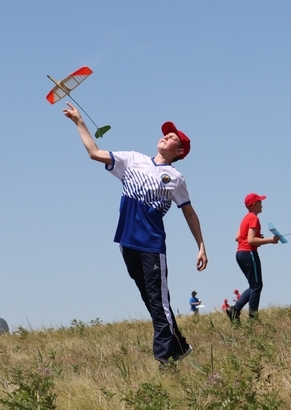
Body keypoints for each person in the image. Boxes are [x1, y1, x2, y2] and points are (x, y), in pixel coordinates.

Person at [63, 103, 207, 366]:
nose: (165, 137)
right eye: (166, 134)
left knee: (159, 301)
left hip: (152, 245)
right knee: (152, 300)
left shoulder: (175, 178)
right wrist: (78, 122)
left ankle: (165, 359)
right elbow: (94, 153)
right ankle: (180, 347)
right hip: (127, 242)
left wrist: (201, 246)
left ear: (179, 152)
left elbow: (189, 213)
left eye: (172, 138)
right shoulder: (132, 159)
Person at [226, 193, 279, 322]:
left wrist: (257, 238)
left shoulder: (246, 218)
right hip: (249, 253)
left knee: (254, 285)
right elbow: (250, 240)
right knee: (256, 286)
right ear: (254, 204)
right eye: (260, 202)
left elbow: (238, 237)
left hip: (240, 254)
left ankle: (235, 310)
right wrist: (271, 240)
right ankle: (253, 318)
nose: (262, 204)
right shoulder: (254, 218)